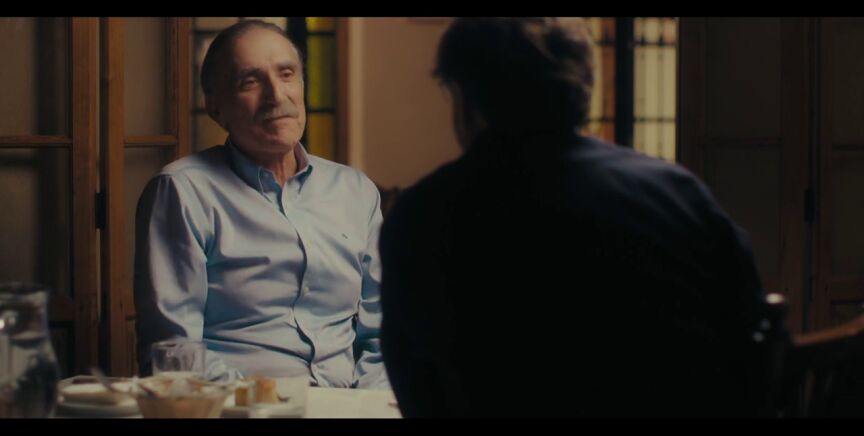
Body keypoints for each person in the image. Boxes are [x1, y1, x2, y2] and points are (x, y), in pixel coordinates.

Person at [378, 17, 785, 417]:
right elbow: (749, 347)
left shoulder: (425, 215)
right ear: (582, 89)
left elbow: (418, 392)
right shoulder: (675, 193)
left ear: (466, 99)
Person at [134, 20, 388, 389]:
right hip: (236, 406)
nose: (276, 95)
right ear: (215, 106)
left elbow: (382, 335)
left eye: (287, 74)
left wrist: (367, 405)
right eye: (250, 81)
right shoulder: (183, 192)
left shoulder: (355, 191)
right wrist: (264, 403)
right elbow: (173, 350)